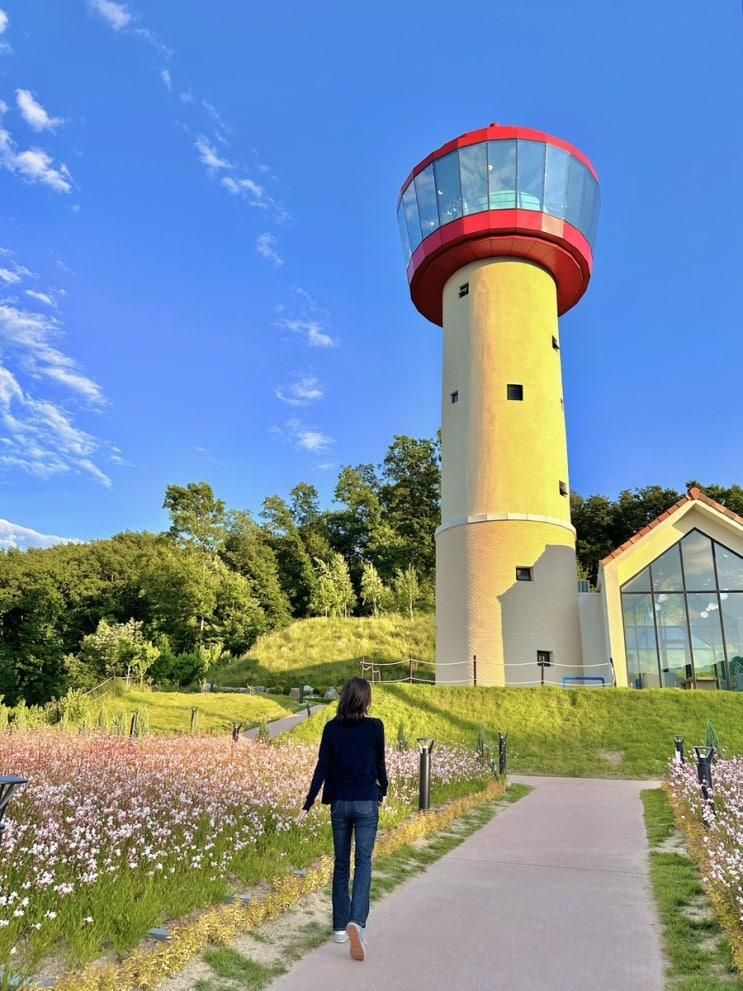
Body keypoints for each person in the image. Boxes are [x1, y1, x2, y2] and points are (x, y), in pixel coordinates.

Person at [296, 677, 388, 962]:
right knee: (363, 864)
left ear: (344, 698)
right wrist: (382, 789)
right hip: (365, 801)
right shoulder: (375, 727)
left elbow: (322, 767)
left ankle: (339, 927)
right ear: (366, 700)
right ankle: (356, 922)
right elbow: (379, 763)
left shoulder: (331, 728)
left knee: (340, 864)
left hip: (339, 804)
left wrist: (308, 803)